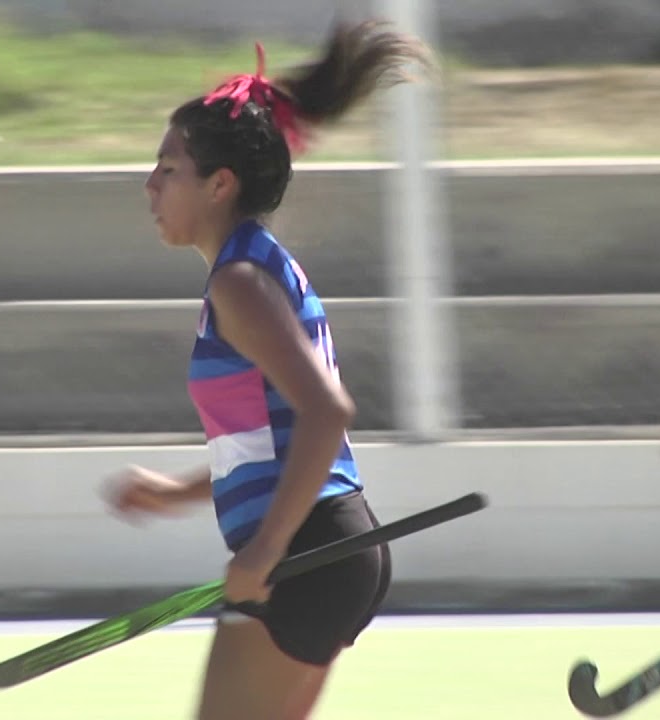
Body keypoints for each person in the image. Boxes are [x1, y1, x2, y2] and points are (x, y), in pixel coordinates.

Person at [100, 19, 435, 720]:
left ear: (219, 184)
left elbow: (327, 412)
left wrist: (266, 551)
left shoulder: (241, 282)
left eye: (168, 170)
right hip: (325, 548)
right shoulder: (249, 271)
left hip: (307, 553)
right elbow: (271, 446)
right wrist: (177, 492)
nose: (149, 185)